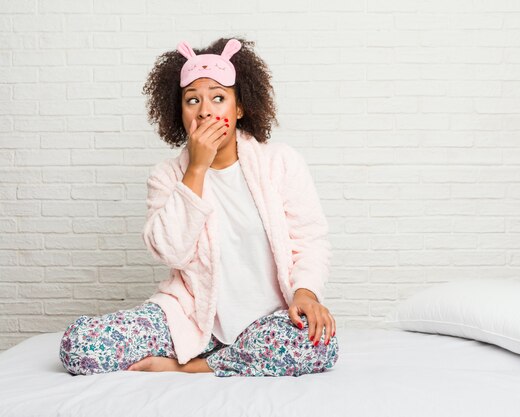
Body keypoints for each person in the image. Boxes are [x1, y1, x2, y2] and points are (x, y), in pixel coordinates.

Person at [58, 37, 338, 377]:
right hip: (189, 320)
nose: (206, 110)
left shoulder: (280, 163)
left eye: (218, 98)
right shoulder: (167, 176)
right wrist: (196, 170)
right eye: (193, 100)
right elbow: (172, 253)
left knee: (320, 345)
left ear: (239, 109)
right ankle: (229, 357)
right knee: (81, 346)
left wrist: (305, 294)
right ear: (181, 113)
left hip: (268, 322)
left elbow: (310, 241)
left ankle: (192, 367)